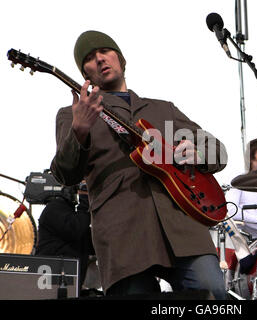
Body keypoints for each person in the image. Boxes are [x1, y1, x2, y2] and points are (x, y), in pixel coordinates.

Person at [50, 30, 228, 299]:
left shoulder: (162, 110)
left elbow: (218, 151)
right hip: (123, 234)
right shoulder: (73, 115)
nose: (99, 59)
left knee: (213, 293)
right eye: (89, 57)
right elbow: (65, 173)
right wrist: (80, 131)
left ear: (121, 59)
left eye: (105, 52)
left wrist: (199, 153)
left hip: (182, 225)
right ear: (85, 75)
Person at [35, 181, 96, 291]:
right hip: (50, 284)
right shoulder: (53, 208)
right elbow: (75, 229)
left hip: (67, 284)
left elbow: (93, 241)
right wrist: (85, 200)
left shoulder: (71, 215)